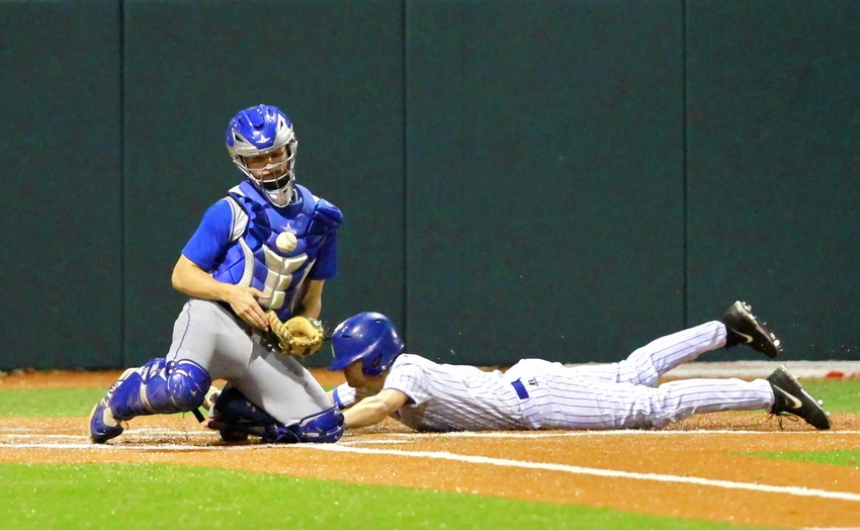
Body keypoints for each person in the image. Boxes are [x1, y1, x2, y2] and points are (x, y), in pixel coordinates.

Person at [89, 103, 345, 444]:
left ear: (290, 148)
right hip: (214, 321)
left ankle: (233, 409)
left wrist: (303, 327)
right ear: (241, 161)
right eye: (257, 158)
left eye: (275, 153)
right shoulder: (230, 210)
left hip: (261, 342)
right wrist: (231, 293)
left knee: (321, 428)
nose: (269, 165)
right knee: (182, 390)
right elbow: (182, 275)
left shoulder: (321, 220)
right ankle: (125, 393)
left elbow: (312, 298)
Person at [322, 302, 831, 433]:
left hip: (539, 400)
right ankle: (726, 328)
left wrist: (332, 424)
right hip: (530, 383)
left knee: (651, 407)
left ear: (376, 359)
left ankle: (770, 393)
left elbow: (378, 407)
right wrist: (293, 420)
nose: (344, 373)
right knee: (633, 371)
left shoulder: (405, 372)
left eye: (350, 364)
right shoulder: (380, 381)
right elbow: (338, 401)